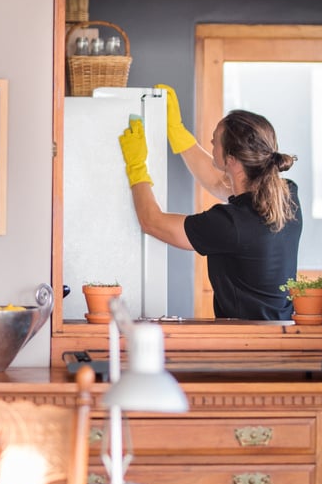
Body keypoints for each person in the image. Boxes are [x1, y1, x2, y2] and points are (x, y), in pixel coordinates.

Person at [118, 85, 300, 320]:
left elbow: (152, 222)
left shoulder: (230, 224)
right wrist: (178, 133)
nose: (211, 142)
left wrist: (136, 168)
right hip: (282, 333)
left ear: (232, 160)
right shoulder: (288, 196)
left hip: (245, 343)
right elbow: (219, 182)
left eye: (215, 142)